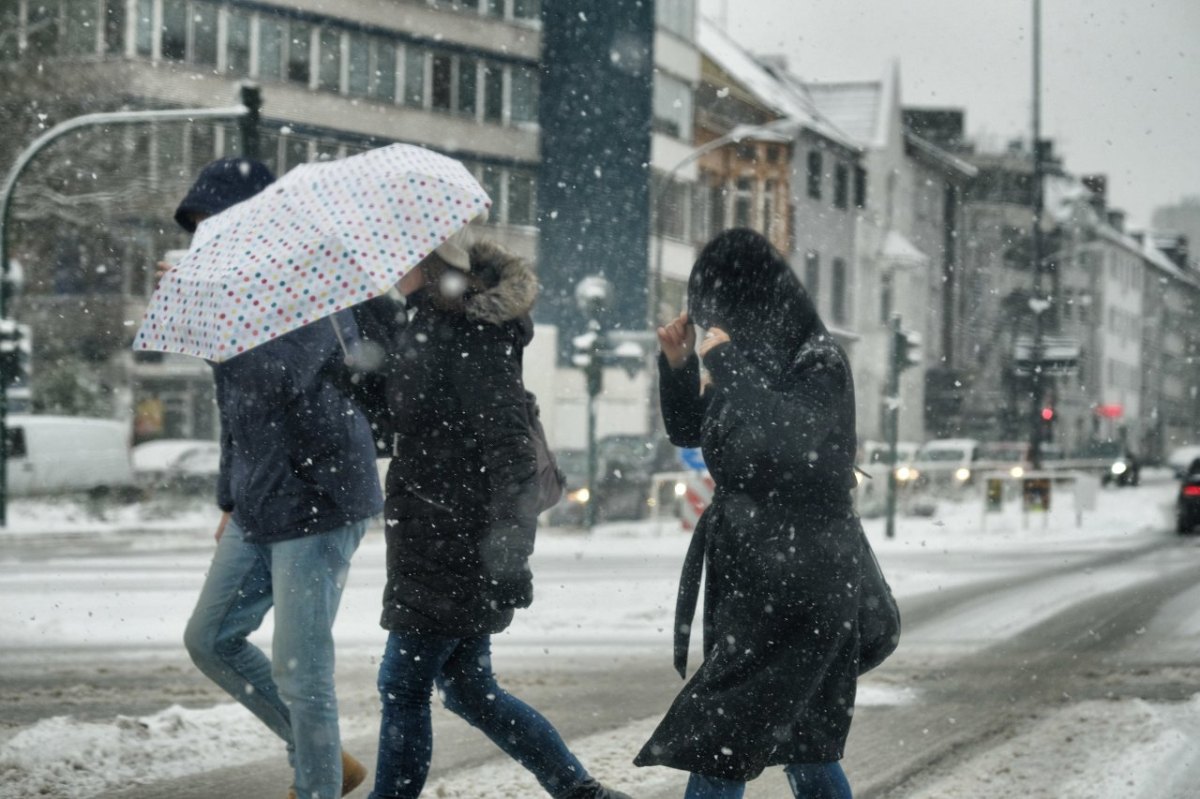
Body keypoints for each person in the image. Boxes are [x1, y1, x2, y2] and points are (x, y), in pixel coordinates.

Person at [351, 229, 633, 799]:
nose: (389, 266)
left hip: (456, 536)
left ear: (429, 265)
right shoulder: (422, 326)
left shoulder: (471, 336)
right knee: (470, 689)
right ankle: (579, 792)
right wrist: (360, 378)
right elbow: (410, 427)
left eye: (401, 257)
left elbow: (510, 454)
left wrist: (508, 552)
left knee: (403, 686)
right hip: (428, 532)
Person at [174, 158, 384, 799]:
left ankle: (316, 785)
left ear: (249, 221)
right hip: (262, 496)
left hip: (320, 496)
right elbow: (234, 410)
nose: (200, 241)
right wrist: (230, 496)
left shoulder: (310, 283)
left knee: (302, 669)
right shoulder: (234, 295)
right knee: (210, 638)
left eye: (212, 226)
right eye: (196, 230)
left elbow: (277, 380)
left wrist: (220, 311)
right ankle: (325, 758)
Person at [635, 228, 863, 799]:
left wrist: (728, 362)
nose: (712, 322)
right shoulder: (751, 363)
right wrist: (679, 365)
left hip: (803, 573)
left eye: (719, 309)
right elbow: (693, 430)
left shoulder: (817, 360)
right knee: (803, 743)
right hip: (753, 571)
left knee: (723, 738)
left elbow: (794, 439)